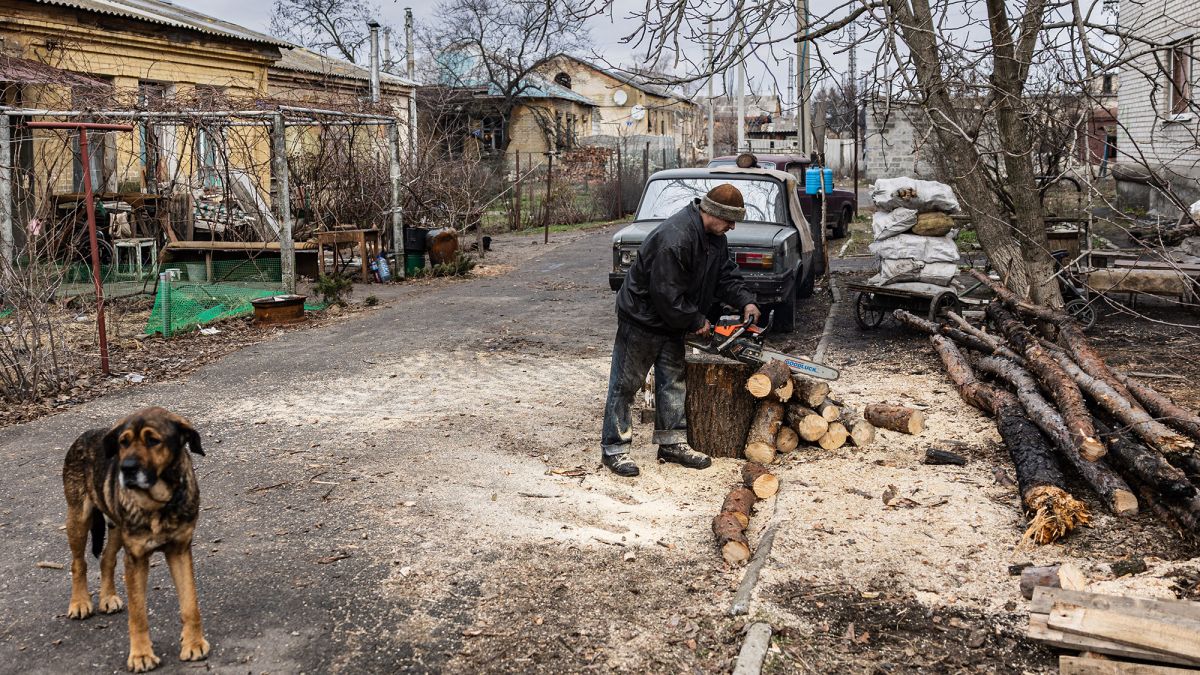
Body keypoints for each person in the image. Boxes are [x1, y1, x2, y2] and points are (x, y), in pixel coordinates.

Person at [600, 184, 761, 477]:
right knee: (626, 384)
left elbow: (725, 275)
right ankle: (615, 448)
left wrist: (746, 301)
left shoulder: (714, 238)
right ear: (712, 213)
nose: (732, 226)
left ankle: (672, 442)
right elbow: (666, 294)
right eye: (729, 220)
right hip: (643, 318)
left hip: (671, 320)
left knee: (673, 381)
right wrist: (697, 320)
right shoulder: (676, 239)